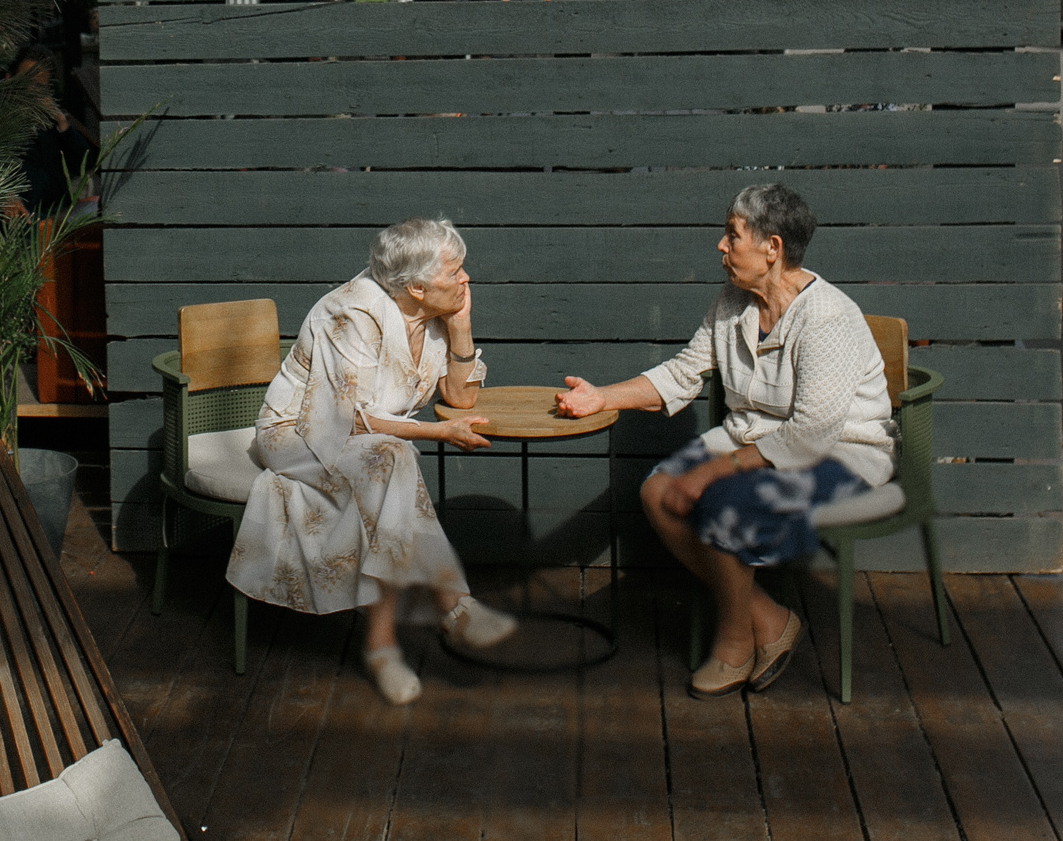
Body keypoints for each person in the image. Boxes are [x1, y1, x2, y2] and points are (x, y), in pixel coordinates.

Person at [554, 182, 895, 699]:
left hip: (840, 452)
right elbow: (683, 373)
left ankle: (733, 640)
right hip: (752, 438)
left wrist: (715, 469)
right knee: (657, 492)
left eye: (732, 234)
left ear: (772, 248)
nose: (721, 245)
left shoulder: (827, 317)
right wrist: (603, 397)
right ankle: (769, 618)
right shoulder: (733, 302)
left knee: (719, 502)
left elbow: (810, 433)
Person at [226, 217, 520, 705]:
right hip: (297, 434)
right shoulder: (350, 314)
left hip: (376, 445)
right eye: (456, 272)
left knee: (390, 468)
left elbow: (460, 398)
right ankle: (451, 606)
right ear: (417, 287)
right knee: (394, 460)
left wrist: (462, 326)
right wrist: (436, 431)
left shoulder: (431, 315)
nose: (466, 279)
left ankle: (383, 646)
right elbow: (351, 419)